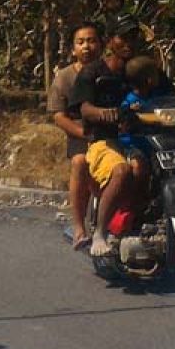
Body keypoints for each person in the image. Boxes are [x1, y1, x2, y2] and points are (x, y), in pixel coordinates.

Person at [68, 33, 143, 257]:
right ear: (110, 41)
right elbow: (84, 109)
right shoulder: (92, 72)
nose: (129, 42)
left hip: (142, 138)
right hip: (105, 140)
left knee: (147, 169)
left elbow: (165, 91)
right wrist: (102, 113)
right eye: (123, 36)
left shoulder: (142, 69)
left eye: (133, 35)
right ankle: (100, 233)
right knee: (122, 171)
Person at [48, 23, 103, 250]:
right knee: (80, 163)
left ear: (100, 44)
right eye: (81, 42)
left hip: (109, 129)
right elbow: (59, 117)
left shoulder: (110, 71)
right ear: (73, 49)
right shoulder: (64, 77)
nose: (86, 46)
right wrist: (83, 133)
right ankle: (79, 228)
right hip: (80, 130)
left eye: (91, 41)